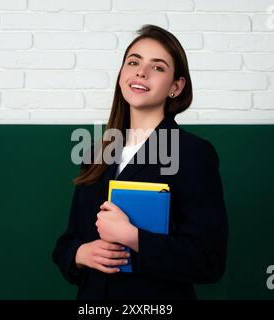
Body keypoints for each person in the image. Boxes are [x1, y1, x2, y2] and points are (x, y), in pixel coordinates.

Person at [52, 25, 228, 300]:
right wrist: (80, 254)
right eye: (133, 62)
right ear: (122, 73)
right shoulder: (96, 154)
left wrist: (132, 236)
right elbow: (66, 242)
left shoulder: (192, 152)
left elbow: (209, 261)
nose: (141, 72)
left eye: (157, 67)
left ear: (176, 87)